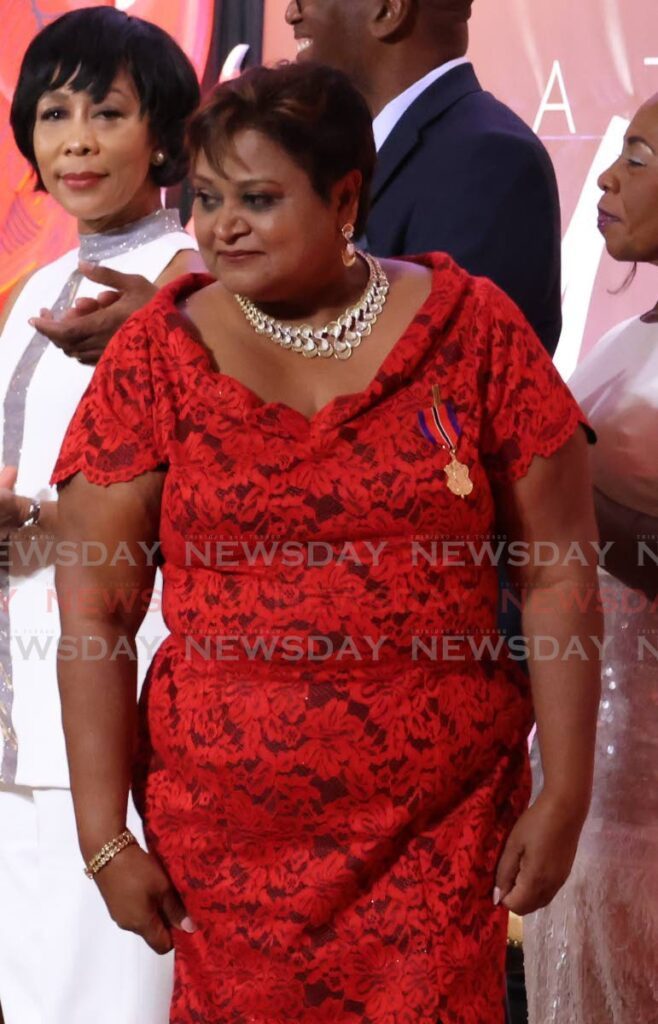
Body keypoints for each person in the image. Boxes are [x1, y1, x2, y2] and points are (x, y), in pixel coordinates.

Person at [52, 63, 600, 1024]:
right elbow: (95, 609)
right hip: (225, 855)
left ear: (346, 196)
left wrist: (564, 798)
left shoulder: (473, 334)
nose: (222, 226)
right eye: (209, 198)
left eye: (259, 200)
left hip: (435, 839)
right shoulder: (158, 355)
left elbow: (558, 575)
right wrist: (103, 835)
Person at [0, 8, 203, 1024]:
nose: (74, 138)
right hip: (18, 712)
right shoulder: (36, 284)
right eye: (52, 112)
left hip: (124, 712)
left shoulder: (197, 283)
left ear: (165, 134)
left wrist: (38, 517)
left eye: (107, 112)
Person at [523, 95, 658, 1024]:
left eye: (639, 158)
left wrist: (555, 480)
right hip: (591, 777)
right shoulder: (623, 337)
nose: (606, 178)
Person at [285, 0, 562, 356]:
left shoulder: (489, 157)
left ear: (388, 11)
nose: (291, 13)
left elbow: (454, 370)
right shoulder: (342, 150)